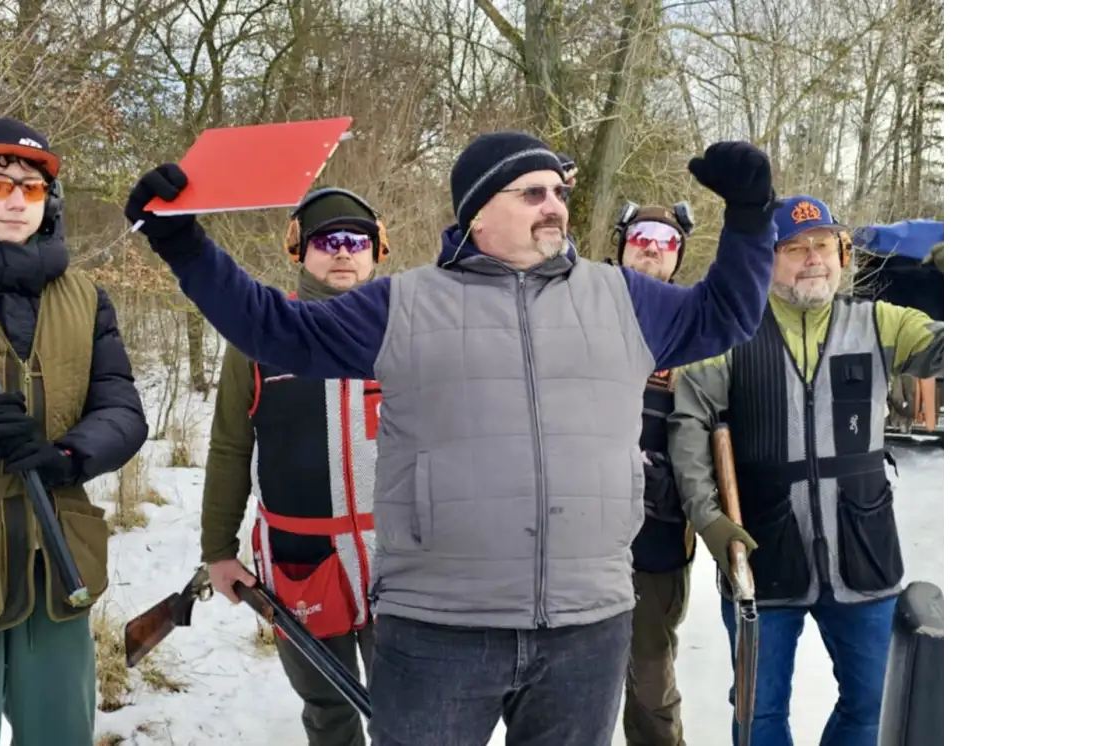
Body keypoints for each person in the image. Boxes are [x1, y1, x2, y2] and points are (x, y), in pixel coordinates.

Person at [123, 132, 780, 746]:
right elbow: (276, 331)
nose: (554, 205)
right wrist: (184, 245)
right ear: (479, 213)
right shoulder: (405, 306)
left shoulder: (624, 299)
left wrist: (751, 218)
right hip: (439, 629)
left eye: (558, 191)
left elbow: (725, 313)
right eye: (531, 192)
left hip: (587, 626)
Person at [666, 195, 950, 746]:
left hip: (864, 555)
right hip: (761, 552)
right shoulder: (731, 333)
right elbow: (689, 428)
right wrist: (709, 520)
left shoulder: (878, 322)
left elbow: (944, 348)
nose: (813, 258)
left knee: (873, 702)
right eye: (794, 249)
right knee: (758, 713)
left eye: (823, 244)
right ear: (767, 259)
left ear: (841, 255)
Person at [0, 117, 149, 746]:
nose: (15, 200)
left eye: (31, 188)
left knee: (61, 732)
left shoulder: (84, 296)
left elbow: (121, 409)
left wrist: (67, 455)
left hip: (56, 563)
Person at [200, 188, 388, 746]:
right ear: (299, 250)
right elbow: (229, 446)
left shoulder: (407, 330)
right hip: (299, 558)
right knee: (328, 709)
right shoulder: (261, 335)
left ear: (377, 250)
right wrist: (217, 550)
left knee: (411, 710)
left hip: (398, 559)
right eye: (327, 241)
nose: (343, 252)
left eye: (356, 241)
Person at [610, 204, 697, 746]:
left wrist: (671, 484)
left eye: (666, 240)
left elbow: (713, 436)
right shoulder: (578, 308)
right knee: (568, 689)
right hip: (577, 541)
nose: (651, 246)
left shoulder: (694, 327)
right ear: (621, 243)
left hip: (656, 540)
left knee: (650, 686)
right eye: (641, 235)